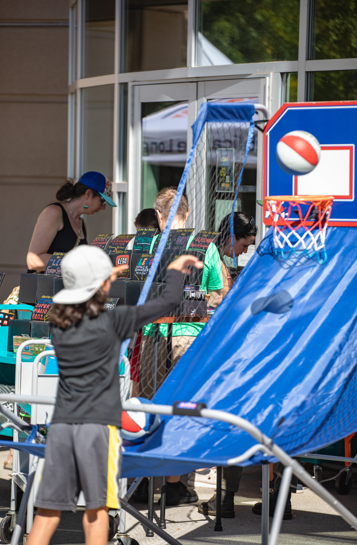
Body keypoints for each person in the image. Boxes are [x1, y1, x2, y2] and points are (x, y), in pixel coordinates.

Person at [26, 244, 203, 545]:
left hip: (61, 429)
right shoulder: (113, 321)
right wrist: (174, 271)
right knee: (96, 513)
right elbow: (169, 300)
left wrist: (103, 277)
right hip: (97, 430)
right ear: (101, 286)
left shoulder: (58, 323)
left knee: (47, 513)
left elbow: (84, 294)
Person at [136, 187, 224, 506]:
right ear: (186, 214)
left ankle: (144, 478)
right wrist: (196, 305)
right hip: (189, 334)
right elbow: (218, 291)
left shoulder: (151, 245)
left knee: (148, 403)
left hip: (154, 333)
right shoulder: (204, 245)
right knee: (181, 408)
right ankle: (173, 484)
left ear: (159, 216)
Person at [197, 212, 257, 517]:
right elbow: (219, 301)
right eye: (244, 244)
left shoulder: (211, 253)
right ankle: (225, 497)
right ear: (232, 238)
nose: (245, 251)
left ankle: (225, 498)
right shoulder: (215, 259)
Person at [26, 171, 116, 273]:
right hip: (42, 287)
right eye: (102, 201)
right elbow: (33, 261)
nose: (103, 207)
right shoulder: (54, 213)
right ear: (89, 194)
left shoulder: (82, 225)